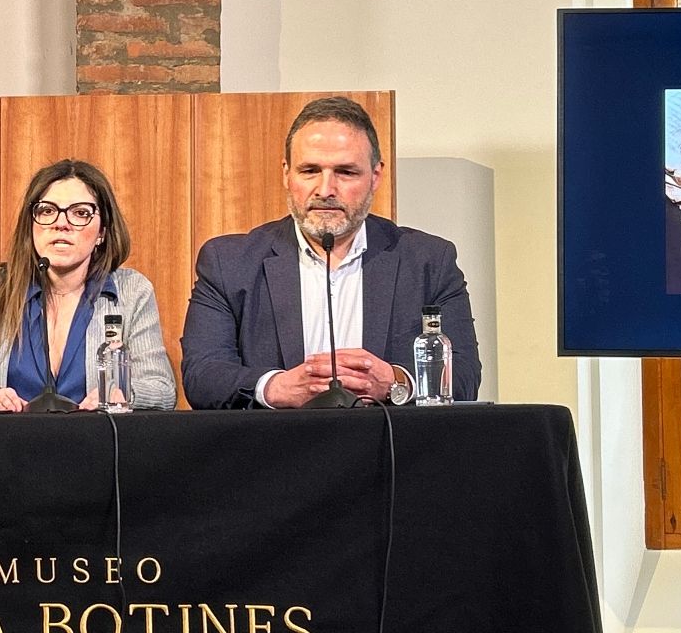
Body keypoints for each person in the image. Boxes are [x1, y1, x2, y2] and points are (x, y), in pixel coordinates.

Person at [180, 96, 480, 409]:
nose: (325, 190)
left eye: (346, 172)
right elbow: (203, 377)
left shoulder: (428, 261)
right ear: (286, 174)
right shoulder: (228, 263)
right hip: (273, 450)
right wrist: (275, 387)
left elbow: (464, 378)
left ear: (375, 176)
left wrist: (395, 382)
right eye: (309, 170)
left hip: (389, 451)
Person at [0, 159, 176, 411]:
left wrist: (121, 393)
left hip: (95, 446)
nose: (61, 223)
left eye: (80, 213)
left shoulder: (132, 292)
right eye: (47, 211)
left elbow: (162, 390)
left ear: (102, 232)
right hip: (9, 445)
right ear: (31, 224)